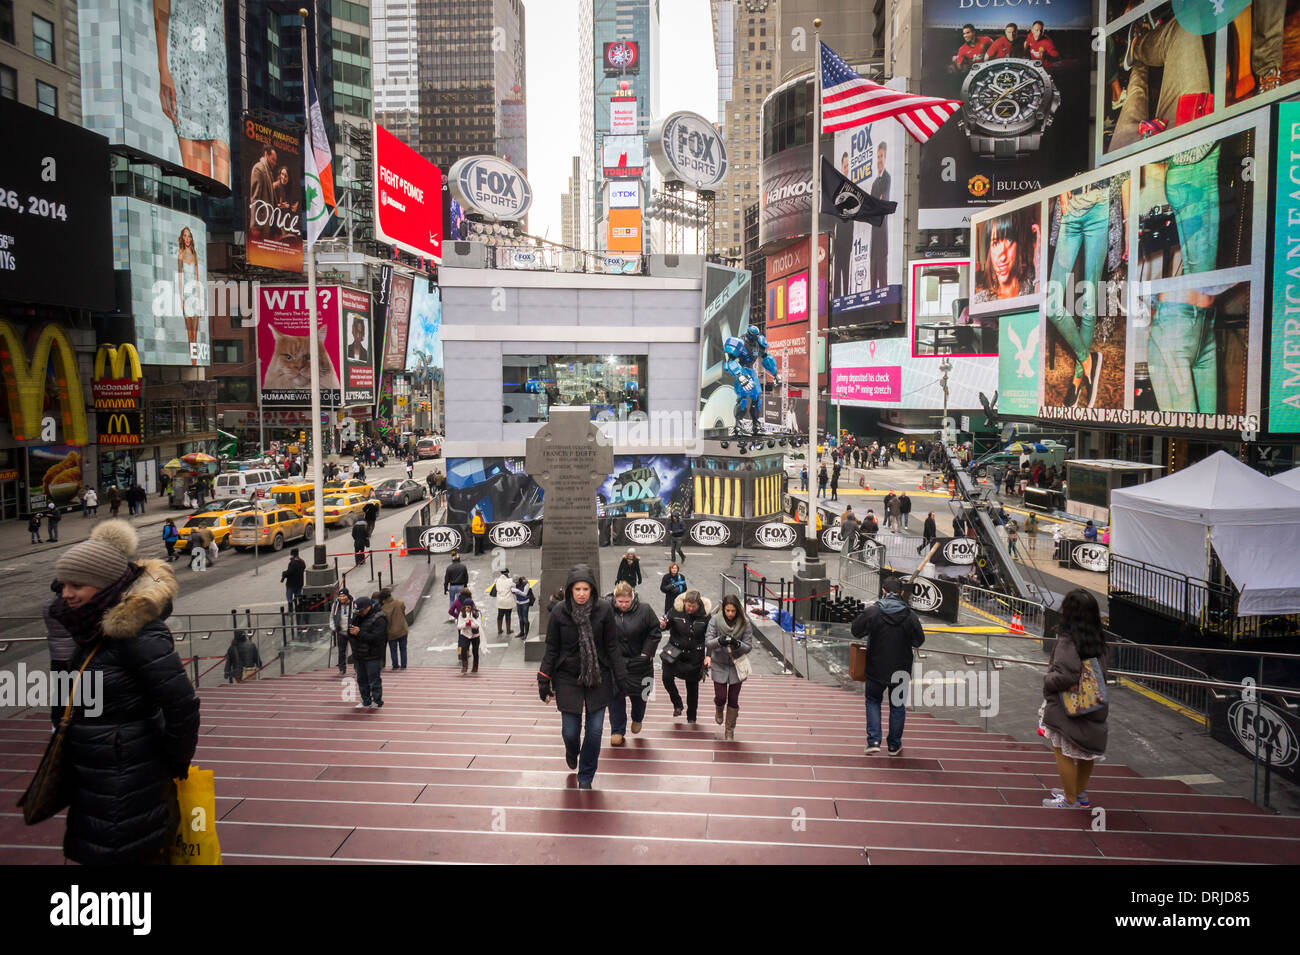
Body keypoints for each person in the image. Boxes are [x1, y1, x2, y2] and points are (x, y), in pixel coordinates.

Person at [49, 519, 199, 864]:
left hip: (128, 778)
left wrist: (174, 760)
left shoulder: (139, 635)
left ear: (103, 587)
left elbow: (182, 703)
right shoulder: (88, 628)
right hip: (95, 777)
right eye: (63, 585)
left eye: (77, 585)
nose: (66, 594)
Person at [538, 565, 626, 790]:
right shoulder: (559, 612)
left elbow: (612, 646)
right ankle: (571, 750)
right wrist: (543, 679)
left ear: (592, 590)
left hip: (598, 676)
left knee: (595, 731)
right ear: (569, 590)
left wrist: (621, 677)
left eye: (586, 588)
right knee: (570, 731)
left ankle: (586, 775)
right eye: (577, 588)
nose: (581, 593)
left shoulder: (604, 610)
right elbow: (551, 649)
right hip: (568, 677)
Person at [1040, 589, 1110, 808]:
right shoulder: (1097, 638)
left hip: (1067, 706)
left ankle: (1069, 800)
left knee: (1063, 751)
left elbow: (1066, 675)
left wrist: (1048, 680)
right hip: (1092, 703)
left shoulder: (1068, 641)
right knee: (1085, 751)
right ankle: (1079, 794)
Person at [851, 576, 925, 756]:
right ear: (901, 593)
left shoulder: (873, 612)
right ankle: (893, 744)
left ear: (883, 591)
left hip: (876, 666)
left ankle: (874, 740)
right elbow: (919, 640)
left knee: (873, 701)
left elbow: (856, 631)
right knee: (897, 706)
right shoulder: (910, 615)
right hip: (901, 668)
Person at [608, 581, 662, 745]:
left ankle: (638, 718)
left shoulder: (645, 610)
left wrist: (646, 653)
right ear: (615, 599)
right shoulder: (607, 609)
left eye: (627, 601)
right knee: (615, 698)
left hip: (640, 662)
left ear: (632, 598)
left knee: (641, 696)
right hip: (617, 662)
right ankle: (617, 730)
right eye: (620, 602)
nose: (623, 605)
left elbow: (654, 632)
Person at [705, 594, 754, 741]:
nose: (730, 614)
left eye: (733, 611)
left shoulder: (745, 623)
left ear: (737, 610)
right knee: (721, 697)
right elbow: (708, 641)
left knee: (733, 698)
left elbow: (748, 647)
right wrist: (719, 641)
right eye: (728, 610)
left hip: (736, 664)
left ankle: (729, 729)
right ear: (723, 609)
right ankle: (719, 709)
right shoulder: (715, 620)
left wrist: (737, 643)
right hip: (719, 662)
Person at [661, 589, 710, 723]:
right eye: (688, 606)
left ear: (699, 604)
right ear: (684, 602)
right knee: (666, 678)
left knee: (692, 688)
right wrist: (663, 624)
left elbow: (710, 637)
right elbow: (665, 625)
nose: (690, 609)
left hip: (694, 655)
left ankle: (691, 717)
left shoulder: (706, 616)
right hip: (674, 652)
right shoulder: (675, 610)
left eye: (693, 606)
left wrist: (708, 655)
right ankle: (677, 703)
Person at [348, 597, 387, 709]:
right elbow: (351, 632)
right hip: (359, 655)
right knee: (361, 680)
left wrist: (359, 633)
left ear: (368, 607)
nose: (360, 613)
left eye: (361, 610)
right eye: (358, 611)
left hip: (373, 655)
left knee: (374, 680)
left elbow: (377, 639)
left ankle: (377, 701)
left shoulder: (379, 619)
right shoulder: (358, 617)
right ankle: (366, 700)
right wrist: (351, 632)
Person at [379, 587, 409, 670]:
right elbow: (403, 612)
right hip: (402, 629)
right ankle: (403, 665)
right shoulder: (400, 603)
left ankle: (395, 665)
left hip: (391, 632)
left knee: (393, 650)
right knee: (403, 649)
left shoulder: (383, 608)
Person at [456, 596, 483, 673]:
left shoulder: (477, 613)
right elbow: (458, 626)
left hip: (475, 635)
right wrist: (465, 624)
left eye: (468, 607)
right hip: (465, 634)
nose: (467, 608)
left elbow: (478, 624)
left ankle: (475, 666)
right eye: (465, 607)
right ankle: (464, 666)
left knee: (475, 651)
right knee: (463, 649)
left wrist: (471, 623)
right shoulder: (462, 613)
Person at [331, 589, 354, 674]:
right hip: (341, 631)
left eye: (343, 596)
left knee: (355, 650)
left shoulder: (353, 604)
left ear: (347, 596)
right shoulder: (336, 605)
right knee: (341, 651)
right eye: (340, 596)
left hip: (351, 631)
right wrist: (333, 626)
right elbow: (331, 616)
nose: (341, 598)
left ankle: (357, 667)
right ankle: (342, 668)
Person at [443, 550, 468, 619]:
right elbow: (466, 577)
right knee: (459, 600)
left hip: (452, 586)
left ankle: (452, 615)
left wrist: (445, 588)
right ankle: (459, 614)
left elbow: (446, 579)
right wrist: (465, 585)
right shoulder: (463, 567)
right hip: (461, 586)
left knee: (451, 600)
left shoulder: (449, 568)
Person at [490, 569, 515, 636]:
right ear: (507, 573)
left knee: (500, 615)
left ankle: (499, 629)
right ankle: (508, 630)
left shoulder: (497, 580)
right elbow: (514, 585)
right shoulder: (510, 580)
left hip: (500, 601)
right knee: (508, 615)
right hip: (508, 601)